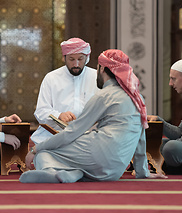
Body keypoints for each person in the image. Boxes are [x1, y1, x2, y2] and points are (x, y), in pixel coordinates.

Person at [19, 49, 167, 183]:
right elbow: (140, 137)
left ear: (102, 68)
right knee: (70, 153)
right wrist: (143, 172)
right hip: (115, 170)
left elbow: (73, 132)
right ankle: (72, 174)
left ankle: (50, 171)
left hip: (98, 154)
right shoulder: (137, 97)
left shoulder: (104, 95)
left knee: (45, 151)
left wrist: (35, 149)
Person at [31, 37, 99, 144]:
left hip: (89, 137)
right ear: (64, 58)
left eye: (80, 59)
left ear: (87, 58)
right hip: (56, 135)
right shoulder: (51, 78)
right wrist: (59, 115)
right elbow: (40, 112)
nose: (76, 64)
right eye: (71, 59)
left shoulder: (97, 77)